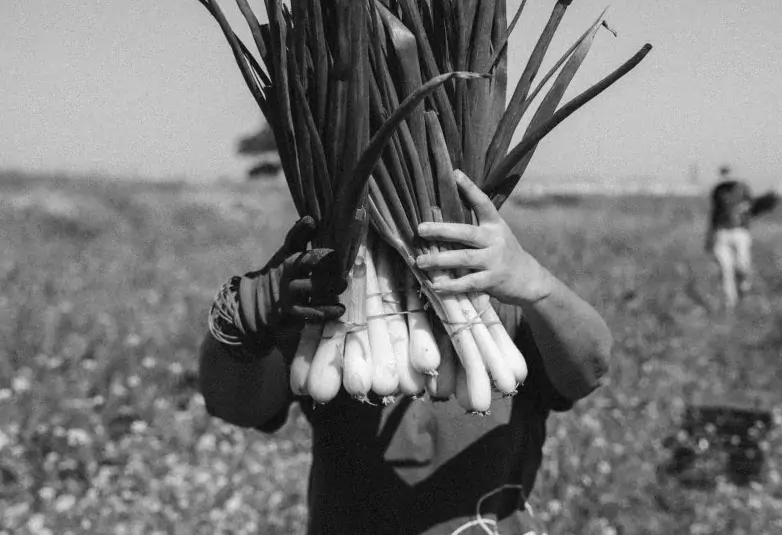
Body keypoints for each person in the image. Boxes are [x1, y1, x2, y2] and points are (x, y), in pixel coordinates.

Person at [198, 169, 613, 535]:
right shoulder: (322, 301)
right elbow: (236, 407)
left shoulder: (505, 298)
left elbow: (588, 371)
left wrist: (537, 284)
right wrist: (240, 323)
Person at [704, 165, 755, 309]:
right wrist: (709, 237)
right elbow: (713, 213)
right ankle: (730, 302)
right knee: (726, 268)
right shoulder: (717, 190)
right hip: (721, 232)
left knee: (742, 264)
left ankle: (744, 284)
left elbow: (751, 206)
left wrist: (743, 209)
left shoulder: (742, 188)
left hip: (739, 231)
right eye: (723, 173)